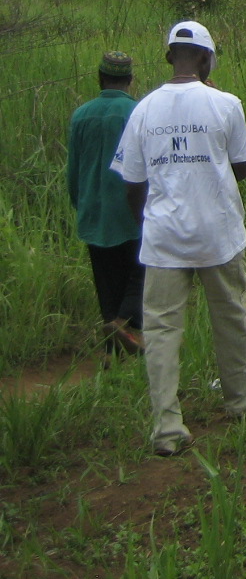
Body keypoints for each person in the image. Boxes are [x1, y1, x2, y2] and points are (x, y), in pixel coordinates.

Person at [112, 22, 246, 457]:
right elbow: (241, 167)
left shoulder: (143, 109)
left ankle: (167, 427)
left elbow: (131, 182)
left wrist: (148, 221)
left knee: (161, 328)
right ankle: (241, 398)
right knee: (231, 315)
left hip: (164, 237)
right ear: (205, 59)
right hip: (217, 232)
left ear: (169, 58)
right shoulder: (225, 103)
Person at [67, 50, 142, 357]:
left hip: (93, 210)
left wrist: (81, 202)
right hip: (130, 212)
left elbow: (74, 171)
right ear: (130, 80)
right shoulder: (137, 112)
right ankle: (125, 323)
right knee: (140, 272)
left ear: (99, 78)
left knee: (106, 282)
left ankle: (112, 350)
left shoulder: (81, 115)